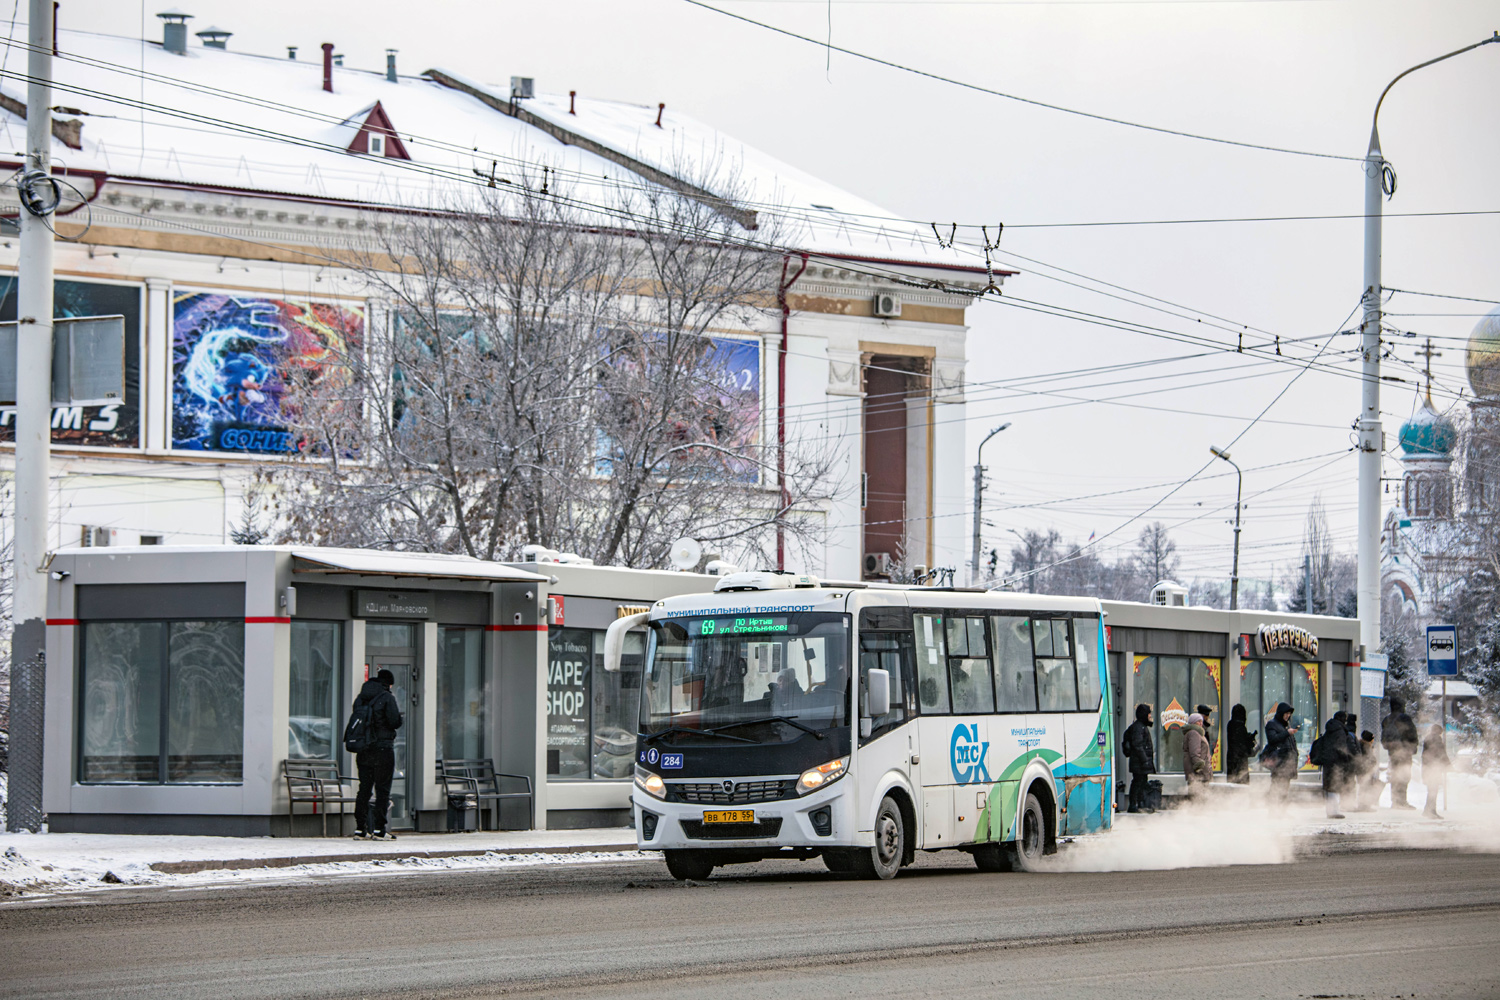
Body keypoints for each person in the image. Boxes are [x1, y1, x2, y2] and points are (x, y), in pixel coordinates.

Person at [353, 668, 404, 840]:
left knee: (364, 789)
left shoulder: (361, 698)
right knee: (383, 790)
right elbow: (394, 722)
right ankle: (379, 830)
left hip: (363, 750)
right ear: (388, 684)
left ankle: (360, 829)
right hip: (383, 749)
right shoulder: (387, 698)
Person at [1311, 715, 1353, 818]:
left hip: (1327, 762)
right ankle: (1334, 811)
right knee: (1335, 786)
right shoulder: (1340, 731)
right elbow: (1340, 748)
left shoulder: (1329, 730)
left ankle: (1330, 810)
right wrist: (1347, 758)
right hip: (1336, 762)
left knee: (1329, 786)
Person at [1381, 697, 1420, 810]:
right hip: (1404, 752)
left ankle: (1395, 801)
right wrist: (1413, 747)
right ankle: (1401, 801)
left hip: (1392, 753)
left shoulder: (1387, 719)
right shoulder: (1404, 718)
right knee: (1403, 776)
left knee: (1395, 776)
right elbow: (1411, 734)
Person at [1261, 702, 1299, 811]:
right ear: (1280, 713)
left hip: (1287, 764)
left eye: (1289, 714)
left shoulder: (1286, 725)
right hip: (1279, 763)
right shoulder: (1272, 724)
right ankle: (1273, 812)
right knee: (1276, 789)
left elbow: (1291, 744)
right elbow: (1272, 739)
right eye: (1286, 713)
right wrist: (1287, 733)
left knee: (1284, 790)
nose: (1288, 716)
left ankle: (1282, 812)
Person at [1121, 703, 1156, 813]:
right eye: (1148, 713)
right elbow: (1138, 745)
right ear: (1144, 714)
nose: (1150, 715)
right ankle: (1133, 805)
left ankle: (1140, 804)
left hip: (1140, 761)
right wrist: (1145, 760)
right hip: (1139, 762)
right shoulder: (1139, 727)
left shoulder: (1141, 726)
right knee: (1138, 782)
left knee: (1142, 781)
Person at [1421, 722, 1450, 819]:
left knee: (1431, 790)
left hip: (1427, 767)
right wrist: (1448, 765)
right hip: (1433, 768)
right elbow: (1441, 753)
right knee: (1433, 790)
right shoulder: (1436, 739)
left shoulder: (1427, 738)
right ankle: (1431, 811)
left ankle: (1427, 810)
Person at [1225, 703, 1258, 785]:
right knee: (1241, 783)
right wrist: (1250, 741)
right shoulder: (1240, 726)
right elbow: (1243, 745)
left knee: (1232, 782)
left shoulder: (1230, 725)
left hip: (1231, 759)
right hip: (1240, 761)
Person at [1182, 712, 1213, 797]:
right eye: (1198, 721)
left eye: (1201, 721)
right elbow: (1194, 752)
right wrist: (1199, 768)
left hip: (1200, 771)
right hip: (1198, 772)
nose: (1201, 723)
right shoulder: (1194, 733)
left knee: (1199, 795)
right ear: (1193, 722)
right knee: (1197, 796)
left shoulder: (1198, 733)